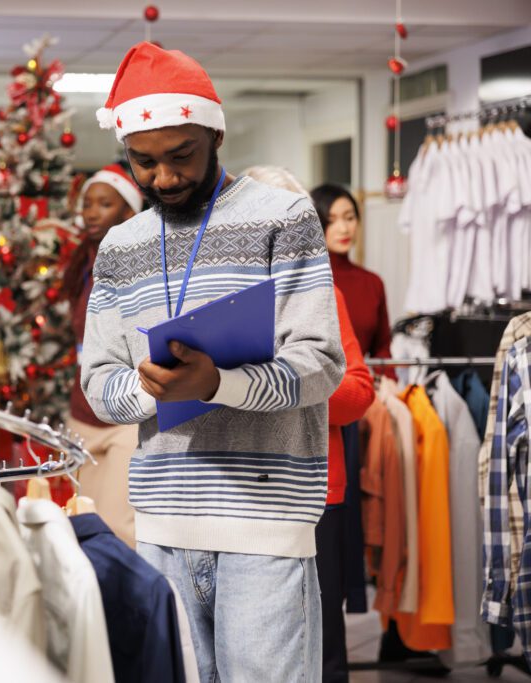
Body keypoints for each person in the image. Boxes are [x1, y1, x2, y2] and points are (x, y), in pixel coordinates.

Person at [82, 43, 345, 682]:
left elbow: (322, 363)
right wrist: (156, 390)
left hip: (267, 525)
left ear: (215, 133)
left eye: (182, 156)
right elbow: (98, 381)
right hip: (163, 526)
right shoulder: (122, 244)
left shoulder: (282, 217)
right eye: (143, 163)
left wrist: (218, 383)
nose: (164, 179)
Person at [244, 166, 376, 682]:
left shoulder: (327, 295)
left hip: (316, 492)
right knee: (250, 640)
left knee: (322, 642)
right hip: (236, 492)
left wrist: (282, 384)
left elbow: (358, 392)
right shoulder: (210, 295)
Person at [61, 164, 143, 548]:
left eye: (104, 204)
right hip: (82, 413)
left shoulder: (140, 266)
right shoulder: (82, 265)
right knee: (82, 523)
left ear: (128, 211)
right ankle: (95, 608)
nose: (91, 212)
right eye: (87, 203)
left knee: (118, 528)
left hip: (125, 416)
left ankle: (133, 608)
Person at [310, 184, 395, 376]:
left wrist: (388, 381)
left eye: (349, 218)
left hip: (362, 386)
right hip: (316, 389)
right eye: (331, 221)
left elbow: (382, 347)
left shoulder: (372, 283)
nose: (343, 228)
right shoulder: (307, 279)